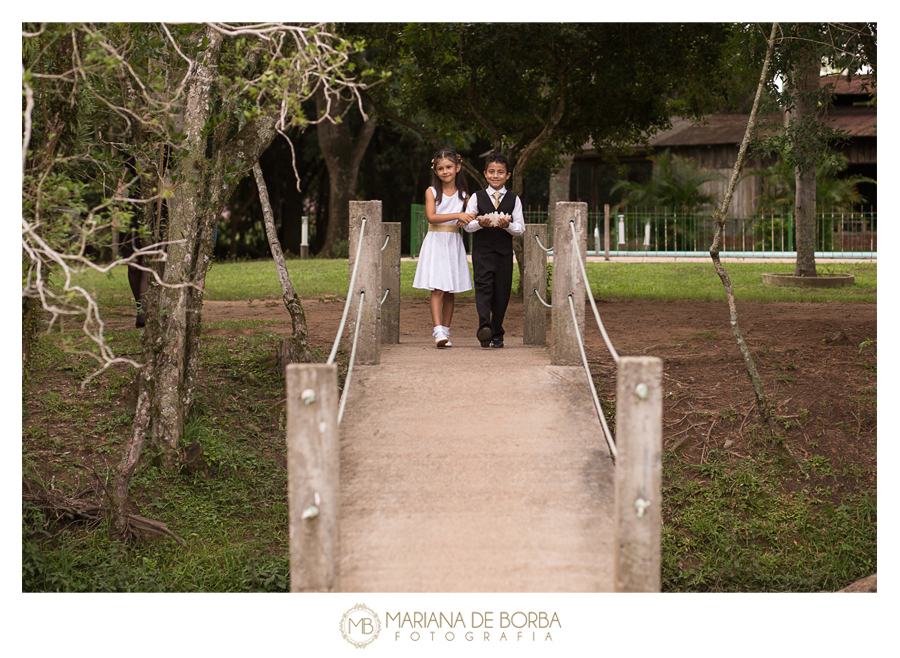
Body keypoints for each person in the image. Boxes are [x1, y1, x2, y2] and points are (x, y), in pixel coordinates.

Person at [412, 148, 475, 348]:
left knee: (450, 290)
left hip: (453, 242)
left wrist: (466, 220)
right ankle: (437, 330)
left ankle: (446, 331)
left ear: (457, 167)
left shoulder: (465, 195)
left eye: (448, 167)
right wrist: (458, 215)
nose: (445, 171)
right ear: (435, 171)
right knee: (438, 287)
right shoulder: (431, 192)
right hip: (436, 241)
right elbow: (432, 217)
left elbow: (470, 217)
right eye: (440, 168)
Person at [462, 152, 526, 348]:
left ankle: (497, 331)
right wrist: (481, 223)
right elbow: (467, 225)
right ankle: (484, 329)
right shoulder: (476, 198)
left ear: (508, 175)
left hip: (504, 254)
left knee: (501, 292)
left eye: (500, 172)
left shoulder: (514, 199)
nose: (495, 175)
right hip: (482, 252)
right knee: (483, 289)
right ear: (485, 174)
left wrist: (507, 225)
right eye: (491, 172)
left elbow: (520, 229)